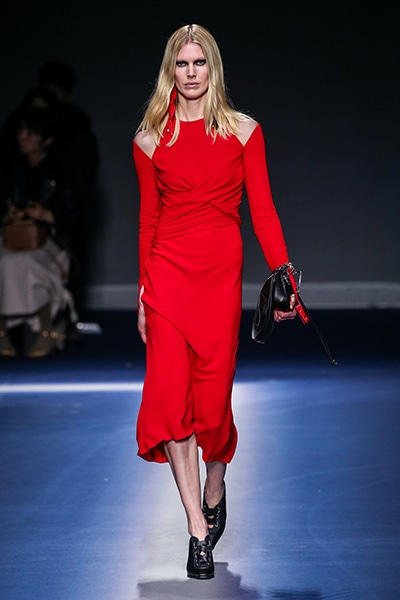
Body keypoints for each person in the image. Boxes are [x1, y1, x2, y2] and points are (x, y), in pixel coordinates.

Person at [132, 24, 297, 580]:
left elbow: (263, 211)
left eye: (199, 63)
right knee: (170, 398)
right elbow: (148, 219)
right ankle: (196, 529)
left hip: (219, 277)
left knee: (212, 398)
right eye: (181, 64)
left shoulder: (244, 132)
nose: (191, 72)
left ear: (213, 68)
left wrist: (284, 274)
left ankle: (216, 482)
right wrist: (142, 293)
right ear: (170, 71)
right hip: (166, 279)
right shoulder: (149, 140)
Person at [0, 106, 80, 358]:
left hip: (50, 240)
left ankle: (46, 328)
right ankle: (3, 331)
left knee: (27, 264)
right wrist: (8, 216)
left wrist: (47, 216)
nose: (23, 137)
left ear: (46, 139)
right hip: (11, 237)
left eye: (31, 133)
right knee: (6, 261)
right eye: (21, 131)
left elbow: (76, 215)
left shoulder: (63, 169)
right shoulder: (8, 167)